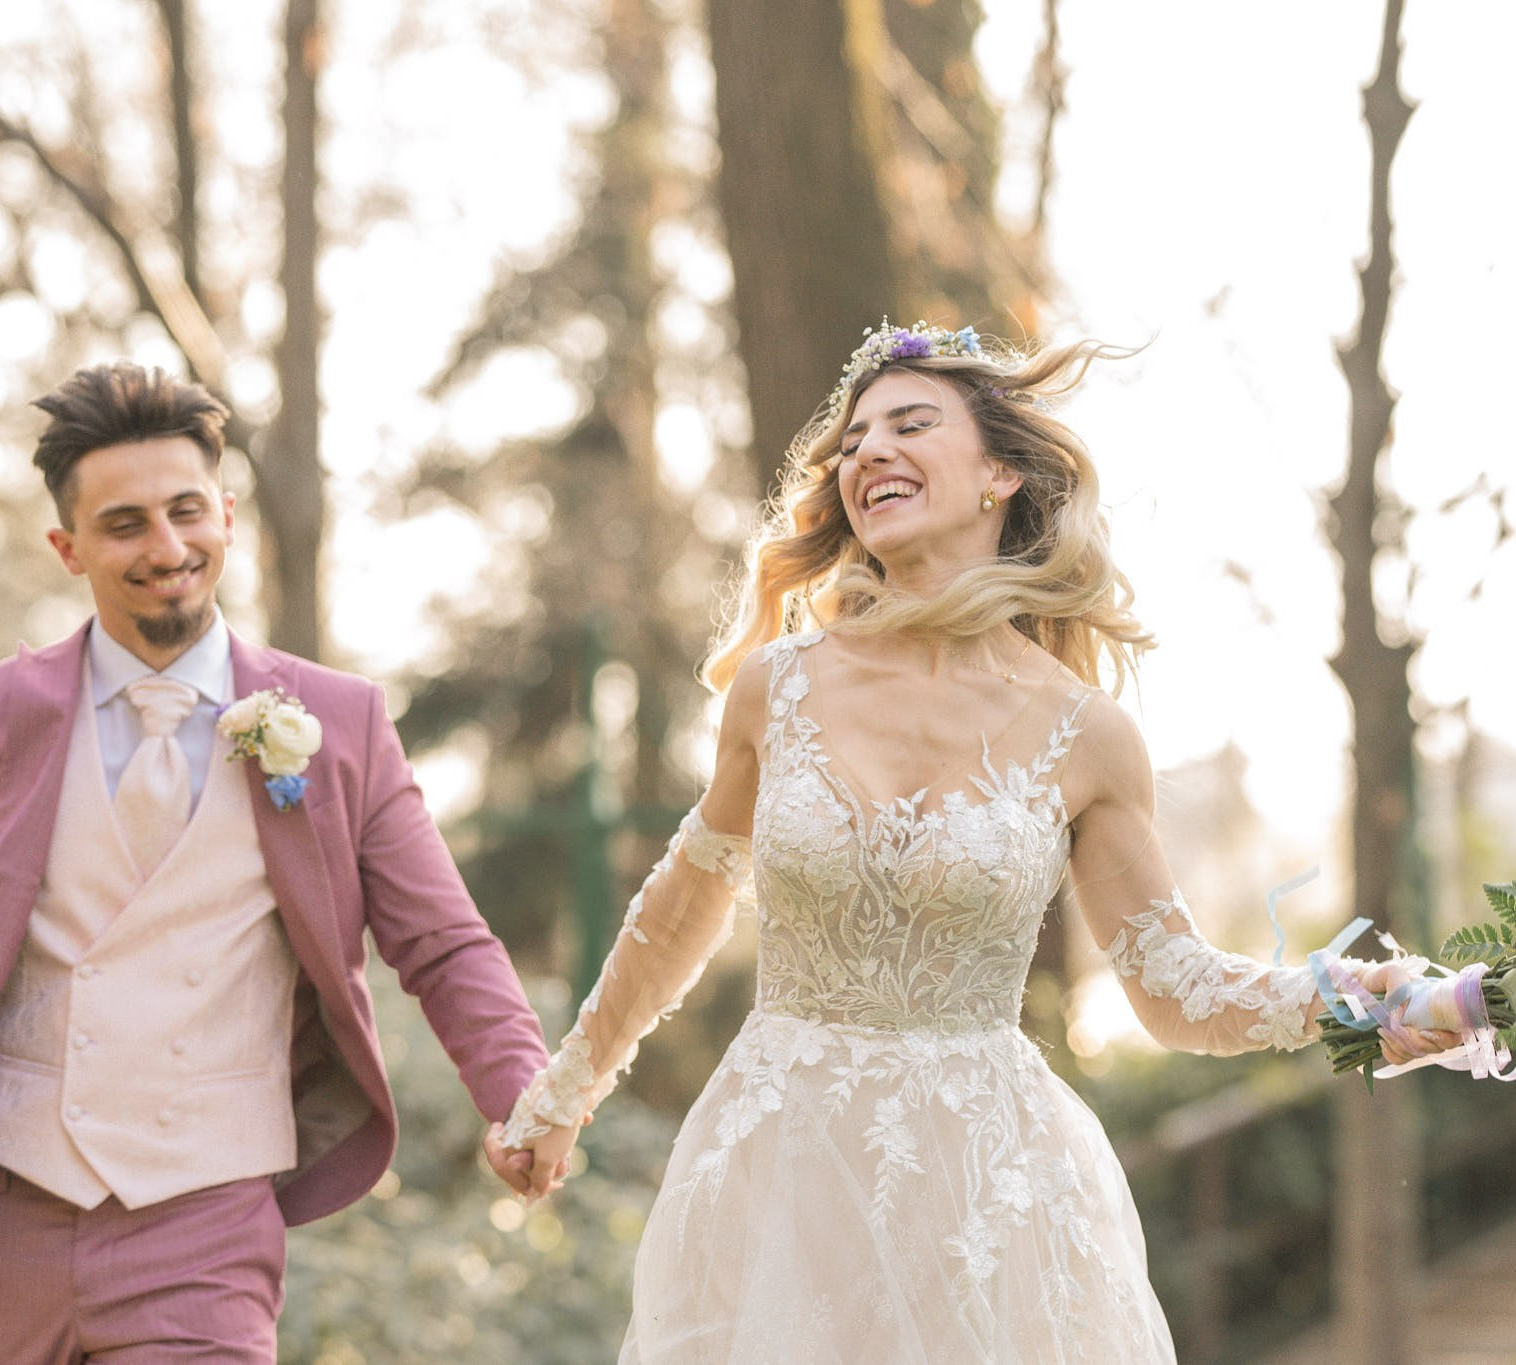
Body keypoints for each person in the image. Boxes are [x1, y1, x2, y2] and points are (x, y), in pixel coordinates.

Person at [494, 322, 1436, 1361]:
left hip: (986, 1202)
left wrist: (1350, 1001)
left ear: (997, 474)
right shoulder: (778, 686)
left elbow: (1175, 990)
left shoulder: (1087, 736)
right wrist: (563, 1090)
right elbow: (684, 901)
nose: (866, 454)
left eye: (907, 425)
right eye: (851, 442)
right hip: (780, 1181)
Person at [0, 361, 552, 1362]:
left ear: (229, 515)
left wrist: (523, 1089)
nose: (167, 549)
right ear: (66, 547)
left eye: (186, 512)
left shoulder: (338, 723)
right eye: (125, 526)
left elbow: (442, 941)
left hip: (201, 1217)